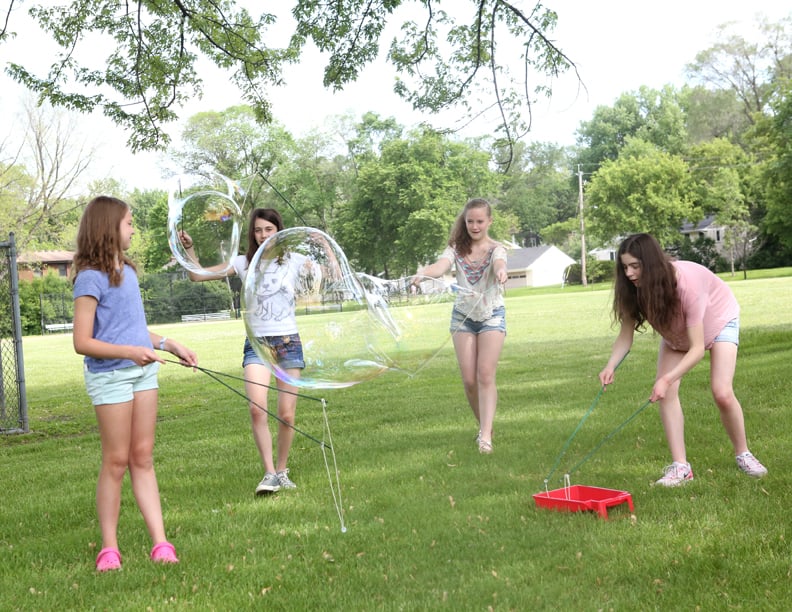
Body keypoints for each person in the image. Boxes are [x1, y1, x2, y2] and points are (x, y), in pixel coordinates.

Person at [72, 196, 198, 572]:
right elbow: (83, 341)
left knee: (142, 457)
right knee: (115, 461)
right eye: (129, 223)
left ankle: (160, 543)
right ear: (109, 227)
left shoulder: (127, 271)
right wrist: (130, 352)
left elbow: (131, 329)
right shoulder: (89, 277)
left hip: (143, 372)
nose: (132, 229)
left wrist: (168, 343)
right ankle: (109, 549)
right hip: (110, 375)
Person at [598, 233, 767, 486]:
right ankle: (681, 468)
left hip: (719, 322)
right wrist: (610, 365)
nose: (630, 273)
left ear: (651, 263)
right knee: (666, 394)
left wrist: (666, 378)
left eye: (635, 266)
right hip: (677, 334)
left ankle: (743, 453)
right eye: (625, 267)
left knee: (721, 392)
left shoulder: (687, 285)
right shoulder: (634, 290)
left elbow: (697, 349)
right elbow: (625, 337)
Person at [178, 208, 304, 494]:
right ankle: (269, 474)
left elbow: (327, 268)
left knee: (287, 414)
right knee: (256, 409)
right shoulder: (244, 262)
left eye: (268, 229)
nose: (262, 235)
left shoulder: (294, 261)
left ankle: (283, 470)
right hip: (257, 344)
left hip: (288, 342)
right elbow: (197, 276)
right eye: (258, 230)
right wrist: (190, 250)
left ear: (278, 230)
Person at [415, 198, 508, 454]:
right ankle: (484, 428)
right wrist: (424, 272)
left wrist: (501, 272)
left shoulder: (496, 249)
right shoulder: (455, 248)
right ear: (464, 222)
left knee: (485, 374)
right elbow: (441, 266)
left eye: (479, 221)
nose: (475, 226)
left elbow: (500, 263)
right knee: (469, 381)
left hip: (492, 315)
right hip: (462, 317)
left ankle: (486, 437)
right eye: (470, 221)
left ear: (489, 221)